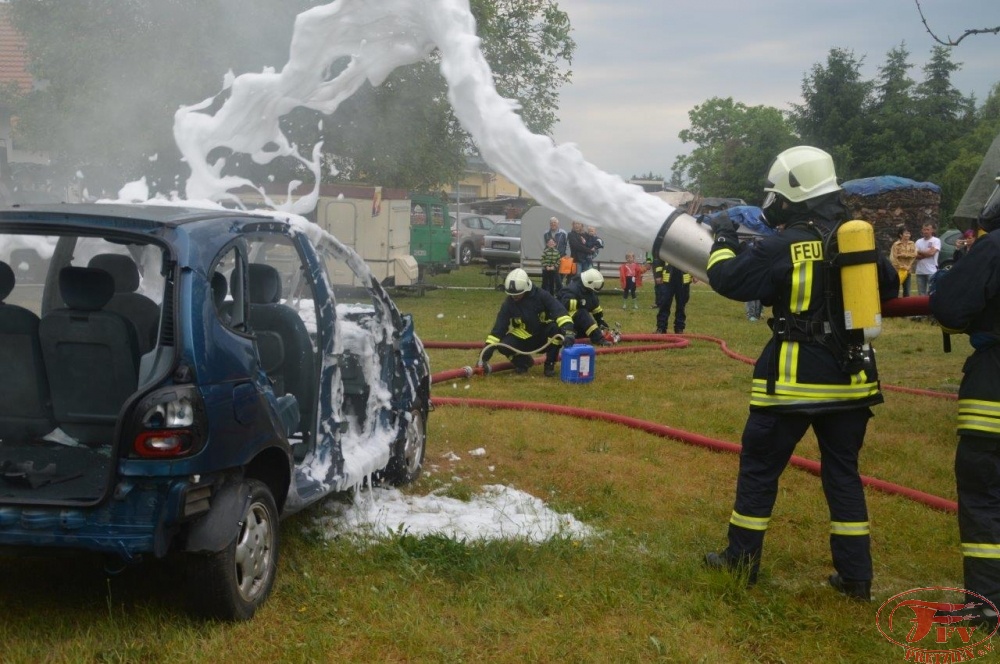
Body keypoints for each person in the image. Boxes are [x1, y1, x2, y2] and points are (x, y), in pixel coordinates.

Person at [702, 146, 899, 600]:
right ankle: (856, 578)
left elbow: (731, 281)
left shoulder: (783, 242)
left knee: (759, 470)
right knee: (843, 475)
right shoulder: (856, 239)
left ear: (792, 194)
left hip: (792, 381)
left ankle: (740, 561)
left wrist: (723, 241)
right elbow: (887, 285)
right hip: (852, 381)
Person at [929, 176, 1000, 629]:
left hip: (994, 387)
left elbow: (951, 309)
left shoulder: (994, 249)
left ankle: (986, 604)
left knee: (983, 496)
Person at [481, 268, 575, 377]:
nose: (514, 297)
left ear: (526, 289)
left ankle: (549, 364)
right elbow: (498, 329)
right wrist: (484, 355)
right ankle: (523, 362)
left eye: (517, 294)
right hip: (524, 337)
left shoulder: (542, 296)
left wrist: (568, 331)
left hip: (544, 337)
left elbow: (560, 312)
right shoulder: (509, 303)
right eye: (512, 295)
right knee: (503, 345)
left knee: (555, 330)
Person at [558, 268, 611, 347]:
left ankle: (585, 336)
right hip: (566, 323)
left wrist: (600, 321)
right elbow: (565, 304)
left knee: (584, 320)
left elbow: (595, 307)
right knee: (582, 313)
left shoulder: (587, 290)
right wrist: (580, 303)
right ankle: (599, 339)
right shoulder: (572, 289)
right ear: (589, 283)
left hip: (576, 325)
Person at [654, 262, 691, 334]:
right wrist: (658, 274)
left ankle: (679, 328)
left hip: (683, 278)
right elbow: (658, 259)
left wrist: (695, 275)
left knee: (681, 305)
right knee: (664, 303)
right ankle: (661, 327)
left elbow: (693, 259)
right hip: (667, 278)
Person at [889, 225, 918, 297]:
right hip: (898, 271)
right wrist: (902, 266)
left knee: (907, 290)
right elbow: (893, 258)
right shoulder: (896, 245)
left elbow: (914, 255)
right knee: (895, 289)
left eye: (909, 233)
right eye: (906, 233)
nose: (908, 235)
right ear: (900, 235)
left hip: (908, 271)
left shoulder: (912, 244)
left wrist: (908, 266)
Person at [914, 222, 941, 296]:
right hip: (920, 271)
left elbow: (932, 253)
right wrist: (927, 253)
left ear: (932, 230)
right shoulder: (918, 241)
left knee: (932, 293)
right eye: (924, 229)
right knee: (921, 294)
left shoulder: (936, 240)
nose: (926, 231)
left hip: (931, 271)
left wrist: (919, 251)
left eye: (928, 229)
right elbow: (914, 255)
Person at [543, 217, 569, 290]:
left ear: (558, 223)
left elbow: (567, 245)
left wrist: (565, 255)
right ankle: (550, 293)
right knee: (550, 277)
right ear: (549, 224)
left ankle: (559, 292)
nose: (553, 224)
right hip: (550, 259)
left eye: (554, 222)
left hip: (560, 257)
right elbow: (545, 245)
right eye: (551, 223)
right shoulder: (546, 233)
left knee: (559, 277)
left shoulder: (563, 233)